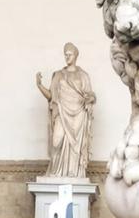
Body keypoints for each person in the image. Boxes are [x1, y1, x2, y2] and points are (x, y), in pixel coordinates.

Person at [35, 42, 96, 178]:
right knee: (56, 142)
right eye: (65, 54)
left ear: (75, 56)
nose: (67, 57)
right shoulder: (58, 75)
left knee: (75, 146)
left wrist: (89, 99)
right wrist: (40, 86)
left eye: (70, 54)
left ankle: (73, 173)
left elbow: (90, 94)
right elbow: (51, 96)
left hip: (78, 113)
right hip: (61, 112)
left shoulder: (83, 75)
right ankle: (55, 173)